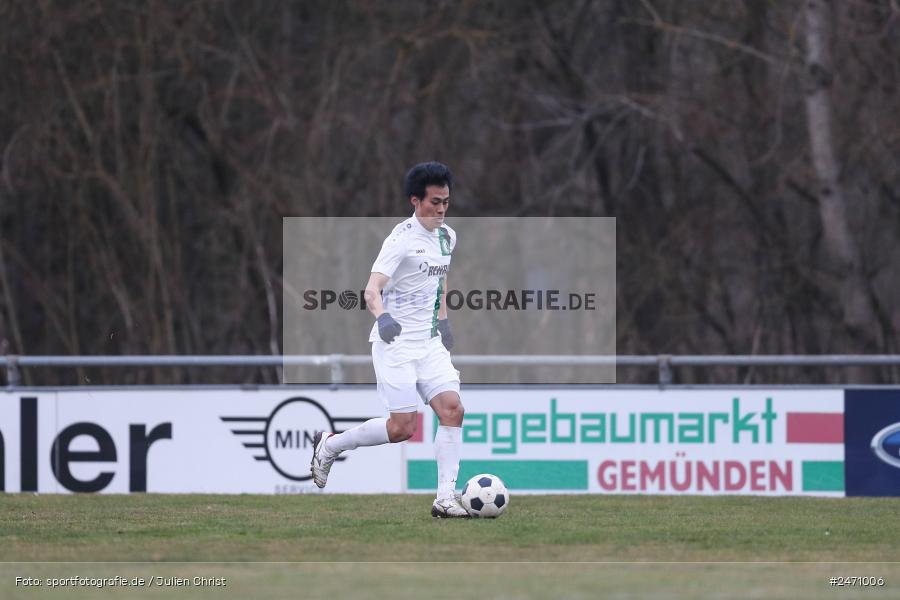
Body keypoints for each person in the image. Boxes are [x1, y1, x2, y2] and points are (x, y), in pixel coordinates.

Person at [310, 161, 468, 518]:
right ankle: (331, 446)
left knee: (453, 410)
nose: (442, 209)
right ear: (415, 201)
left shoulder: (448, 236)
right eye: (434, 202)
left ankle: (445, 498)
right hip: (395, 344)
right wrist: (383, 319)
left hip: (428, 344)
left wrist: (443, 323)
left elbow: (440, 282)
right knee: (401, 429)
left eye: (446, 201)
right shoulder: (400, 240)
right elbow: (371, 290)